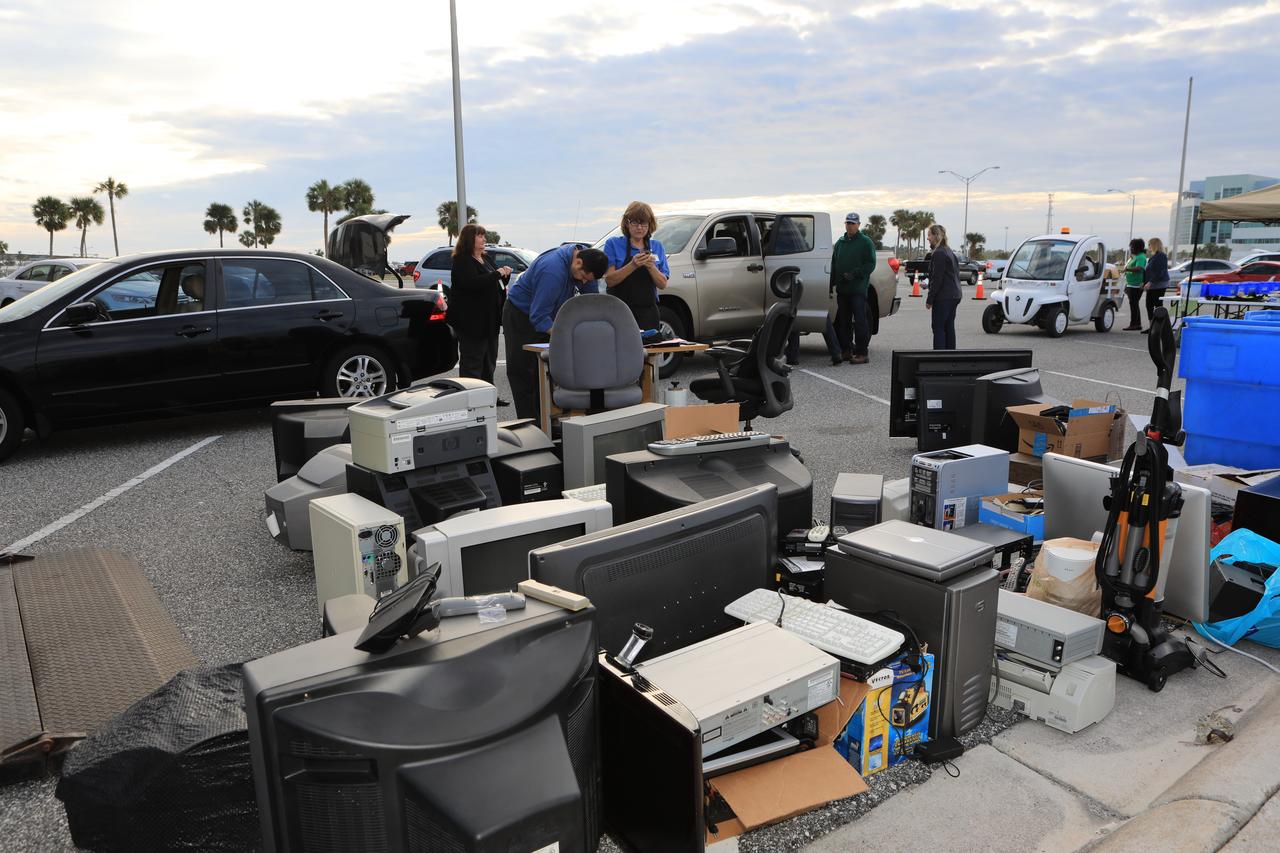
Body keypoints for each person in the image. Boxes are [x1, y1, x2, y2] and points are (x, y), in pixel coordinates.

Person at [502, 244, 609, 420]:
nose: (583, 283)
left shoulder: (588, 265)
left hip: (548, 313)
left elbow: (591, 302)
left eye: (588, 280)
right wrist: (566, 335)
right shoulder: (552, 271)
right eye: (582, 277)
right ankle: (531, 425)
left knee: (547, 372)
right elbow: (539, 317)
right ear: (578, 261)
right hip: (521, 314)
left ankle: (549, 420)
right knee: (523, 372)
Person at [448, 224, 510, 400]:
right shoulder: (462, 261)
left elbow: (493, 284)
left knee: (489, 362)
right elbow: (472, 284)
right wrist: (496, 274)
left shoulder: (486, 258)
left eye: (484, 236)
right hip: (471, 322)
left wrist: (503, 277)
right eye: (480, 236)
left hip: (489, 319)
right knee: (473, 362)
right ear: (470, 239)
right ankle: (471, 398)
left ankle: (489, 397)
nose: (484, 239)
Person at [602, 201, 669, 330]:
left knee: (648, 348)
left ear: (650, 225)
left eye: (643, 223)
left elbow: (662, 284)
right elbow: (610, 280)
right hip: (620, 311)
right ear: (627, 223)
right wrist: (633, 265)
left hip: (648, 312)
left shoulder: (657, 246)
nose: (639, 227)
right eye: (635, 222)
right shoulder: (613, 244)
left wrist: (651, 267)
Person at [830, 212, 877, 364]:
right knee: (843, 322)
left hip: (857, 289)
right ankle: (846, 350)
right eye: (848, 223)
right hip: (842, 290)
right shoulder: (840, 243)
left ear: (858, 225)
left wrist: (855, 274)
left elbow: (870, 264)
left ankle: (862, 352)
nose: (850, 226)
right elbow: (834, 264)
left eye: (852, 223)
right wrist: (832, 283)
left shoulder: (865, 242)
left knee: (860, 321)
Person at [925, 223, 962, 350]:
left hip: (944, 297)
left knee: (939, 328)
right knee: (948, 327)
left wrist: (930, 299)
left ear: (936, 236)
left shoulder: (939, 253)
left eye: (929, 235)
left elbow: (937, 278)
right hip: (954, 295)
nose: (928, 238)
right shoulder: (949, 251)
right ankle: (950, 359)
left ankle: (939, 359)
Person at [1142, 237, 1170, 333]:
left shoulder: (1161, 256)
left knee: (1157, 305)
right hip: (1153, 284)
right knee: (1149, 304)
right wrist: (1145, 282)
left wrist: (1150, 282)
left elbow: (1159, 272)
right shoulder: (1154, 256)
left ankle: (1158, 327)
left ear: (1154, 245)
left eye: (1149, 244)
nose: (1148, 246)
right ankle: (1152, 326)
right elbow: (1149, 271)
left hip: (1159, 284)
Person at [1121, 237, 1147, 331]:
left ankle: (1134, 324)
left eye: (1132, 247)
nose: (1131, 249)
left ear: (1138, 247)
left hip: (1136, 285)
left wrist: (1127, 269)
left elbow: (1139, 268)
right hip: (1131, 284)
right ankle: (1137, 324)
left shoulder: (1141, 257)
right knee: (1134, 304)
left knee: (1134, 304)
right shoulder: (1136, 256)